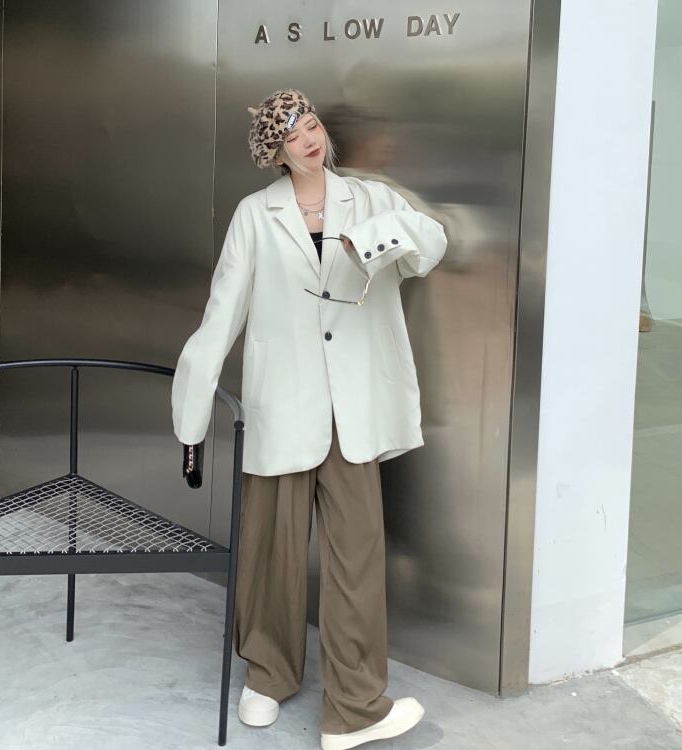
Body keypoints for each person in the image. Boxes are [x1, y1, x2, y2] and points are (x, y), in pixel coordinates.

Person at [171, 89, 447, 750]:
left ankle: (354, 708)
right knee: (271, 550)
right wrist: (191, 423)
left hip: (353, 412)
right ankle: (268, 677)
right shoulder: (254, 215)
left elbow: (430, 246)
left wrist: (368, 240)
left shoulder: (370, 199)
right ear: (276, 152)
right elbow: (222, 314)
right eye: (292, 135)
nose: (309, 139)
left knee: (357, 560)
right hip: (283, 406)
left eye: (313, 125)